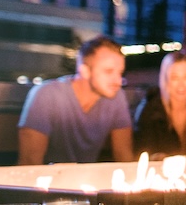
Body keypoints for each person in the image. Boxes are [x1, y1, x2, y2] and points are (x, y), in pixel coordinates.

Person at [17, 35, 136, 165]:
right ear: (85, 71)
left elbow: (124, 155)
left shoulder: (116, 96)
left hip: (85, 180)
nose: (118, 81)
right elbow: (30, 161)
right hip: (46, 181)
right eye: (108, 72)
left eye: (120, 73)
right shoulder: (47, 94)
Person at [133, 51, 186, 159]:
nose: (181, 85)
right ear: (166, 80)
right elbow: (140, 156)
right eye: (174, 78)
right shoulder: (150, 110)